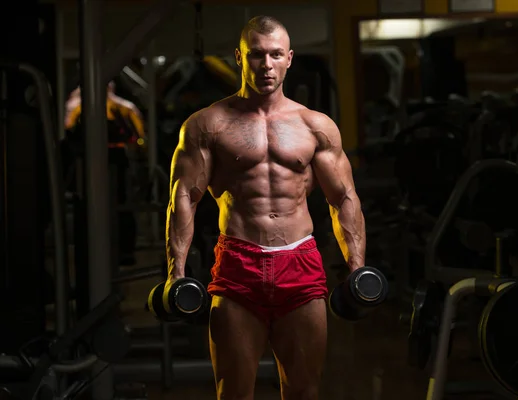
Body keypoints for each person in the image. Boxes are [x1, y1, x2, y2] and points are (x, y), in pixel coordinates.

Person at [166, 16, 366, 400]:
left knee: (304, 390)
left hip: (301, 263)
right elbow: (183, 199)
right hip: (239, 264)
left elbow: (343, 197)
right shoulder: (207, 125)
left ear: (289, 58)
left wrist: (356, 267)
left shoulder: (315, 126)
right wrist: (176, 272)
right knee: (234, 392)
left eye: (275, 54)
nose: (267, 64)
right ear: (239, 58)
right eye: (256, 54)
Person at [65, 81, 146, 265]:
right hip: (90, 159)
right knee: (95, 203)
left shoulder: (122, 107)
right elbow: (68, 128)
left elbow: (138, 135)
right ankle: (101, 251)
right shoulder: (79, 105)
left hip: (113, 159)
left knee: (119, 203)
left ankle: (123, 250)